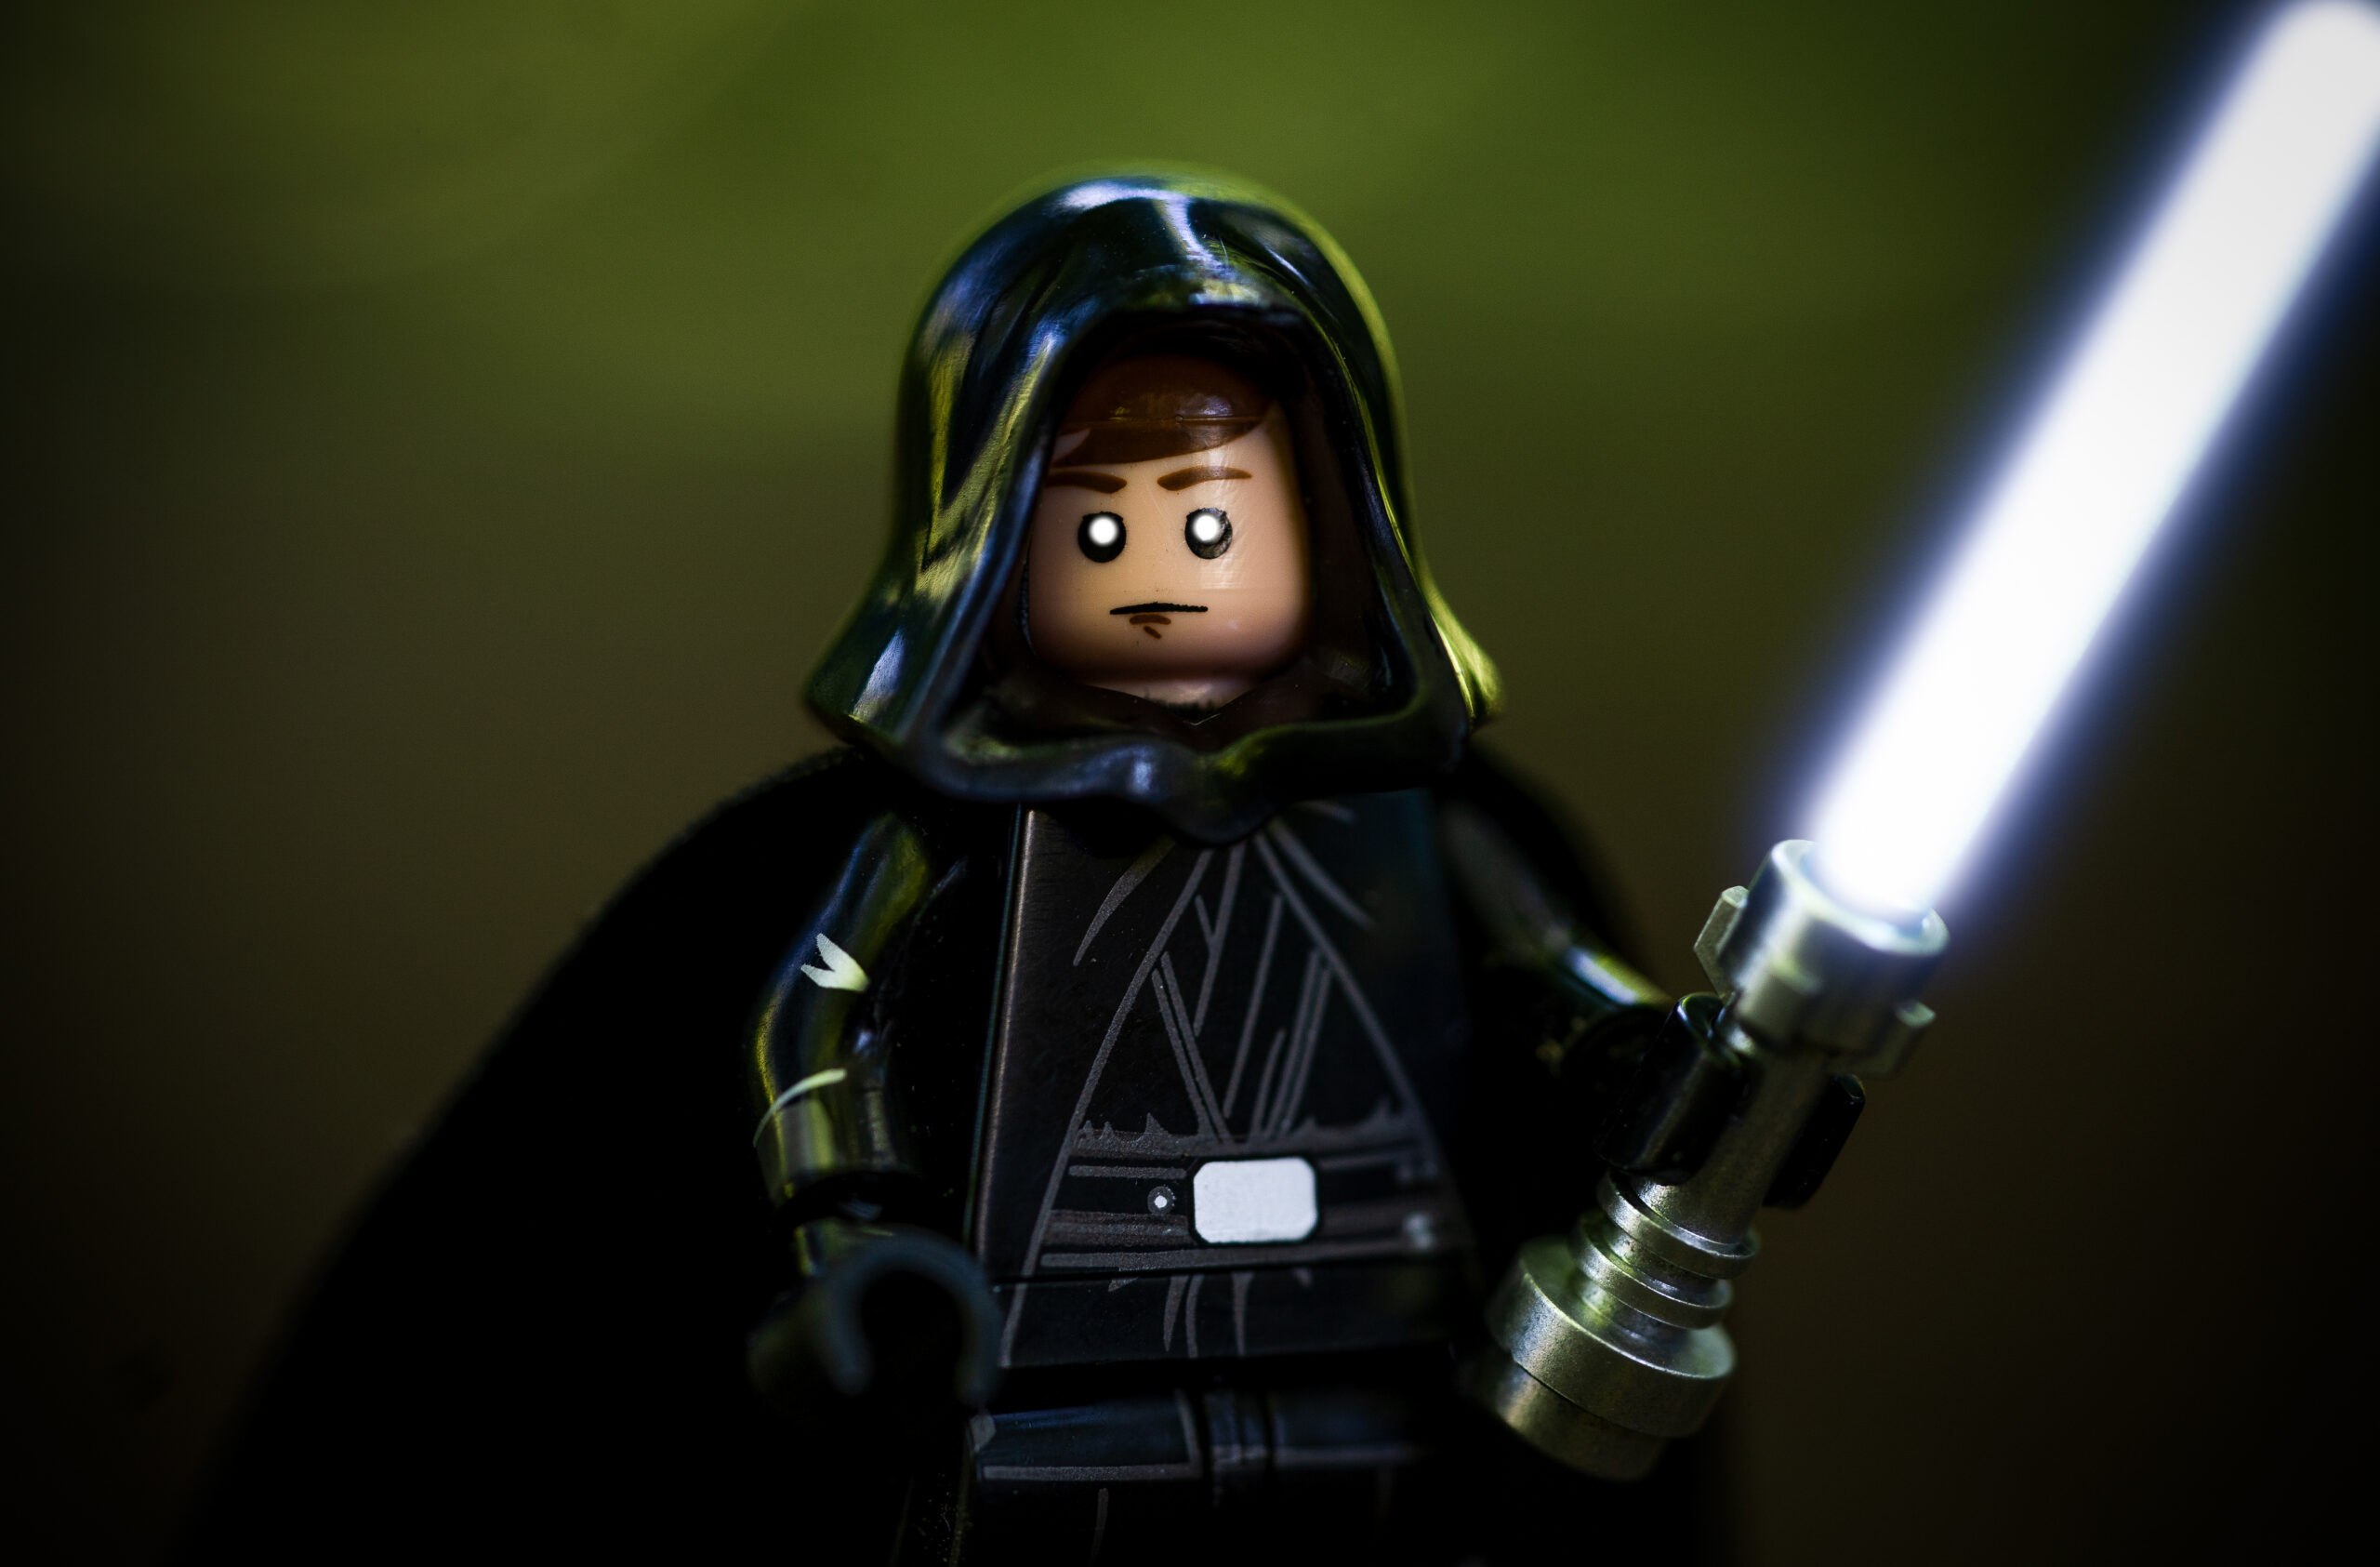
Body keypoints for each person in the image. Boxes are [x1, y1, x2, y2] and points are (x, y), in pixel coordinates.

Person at [181, 171, 1731, 1564]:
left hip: (1389, 1372)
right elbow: (817, 1014)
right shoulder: (938, 845)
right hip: (1043, 1390)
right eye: (1099, 536)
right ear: (998, 545)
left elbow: (1549, 985)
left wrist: (1644, 1063)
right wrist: (849, 1233)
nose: (1159, 588)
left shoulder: (1430, 829)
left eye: (1209, 530)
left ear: (1327, 528)